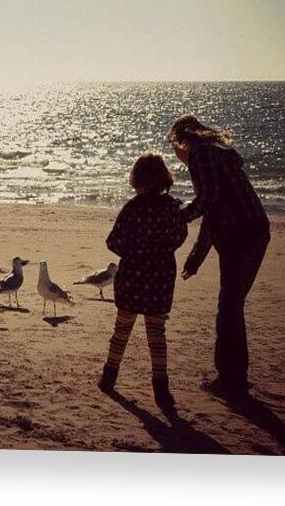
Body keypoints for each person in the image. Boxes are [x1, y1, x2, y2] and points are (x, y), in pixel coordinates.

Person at [168, 115, 270, 398]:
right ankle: (234, 377)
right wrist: (194, 261)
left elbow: (207, 199)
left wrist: (178, 217)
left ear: (181, 141)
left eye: (173, 149)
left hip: (239, 234)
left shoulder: (201, 155)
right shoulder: (219, 155)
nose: (177, 157)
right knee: (232, 304)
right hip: (257, 229)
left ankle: (231, 380)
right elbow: (212, 216)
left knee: (229, 307)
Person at [98, 152, 188, 407]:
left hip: (132, 278)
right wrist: (159, 251)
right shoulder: (172, 208)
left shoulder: (132, 208)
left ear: (137, 179)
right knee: (157, 335)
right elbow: (179, 237)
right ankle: (161, 389)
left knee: (121, 330)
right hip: (160, 278)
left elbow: (113, 241)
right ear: (164, 178)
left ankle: (109, 377)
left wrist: (135, 252)